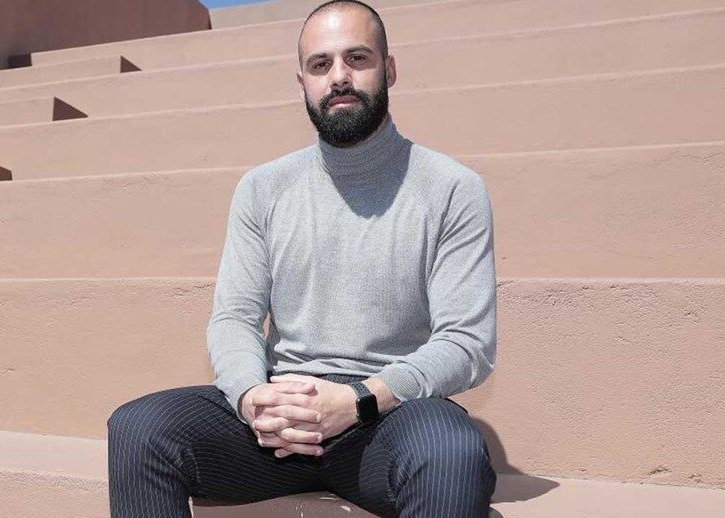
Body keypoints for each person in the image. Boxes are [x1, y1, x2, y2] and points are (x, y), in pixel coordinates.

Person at [107, 1, 498, 516]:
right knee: (139, 429)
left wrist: (360, 399)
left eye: (357, 58)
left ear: (389, 69)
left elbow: (467, 343)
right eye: (320, 64)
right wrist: (251, 397)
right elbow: (234, 318)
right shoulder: (263, 189)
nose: (338, 77)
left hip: (387, 416)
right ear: (302, 83)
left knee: (452, 454)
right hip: (278, 421)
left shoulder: (452, 189)